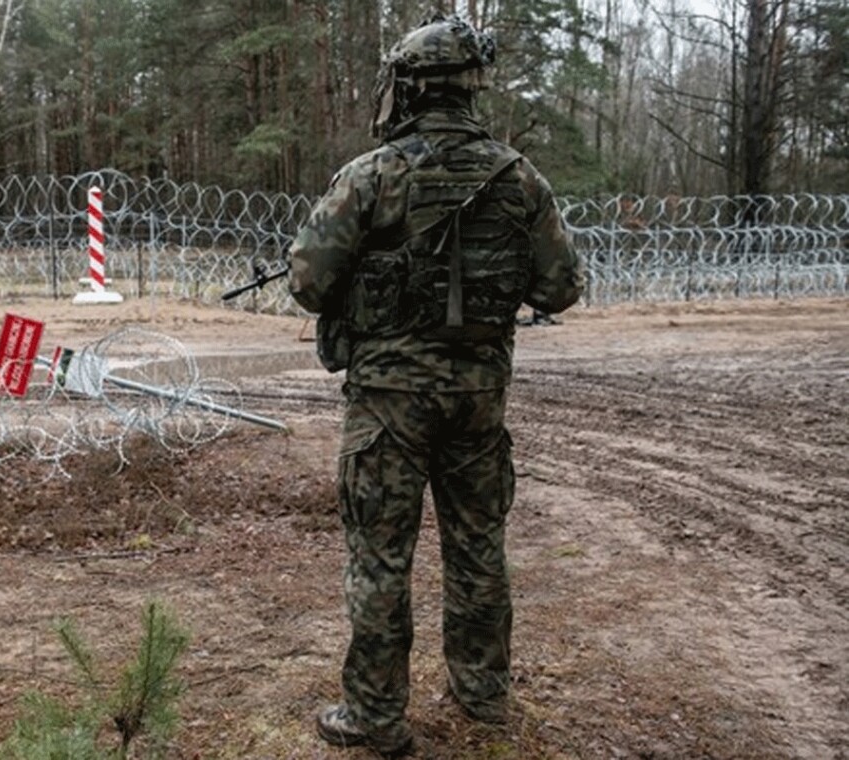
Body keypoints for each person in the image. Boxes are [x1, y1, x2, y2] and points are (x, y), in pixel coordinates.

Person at [286, 13, 584, 758]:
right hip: (479, 398)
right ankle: (483, 697)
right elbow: (561, 288)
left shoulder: (371, 176)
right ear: (470, 91)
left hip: (389, 404)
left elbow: (309, 283)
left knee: (382, 555)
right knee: (479, 545)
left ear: (410, 89)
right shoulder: (520, 179)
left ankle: (376, 718)